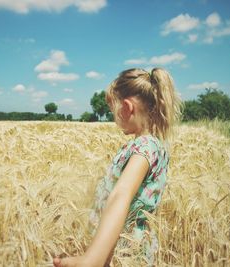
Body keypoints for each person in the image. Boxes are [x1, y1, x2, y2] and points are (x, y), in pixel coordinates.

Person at [53, 68, 182, 267]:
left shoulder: (145, 147)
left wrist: (92, 260)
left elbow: (121, 193)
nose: (113, 117)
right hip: (121, 246)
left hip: (126, 251)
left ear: (127, 107)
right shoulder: (149, 145)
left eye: (113, 109)